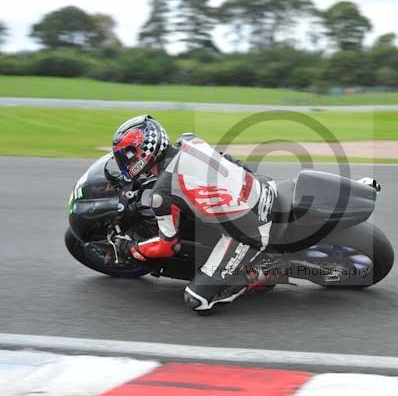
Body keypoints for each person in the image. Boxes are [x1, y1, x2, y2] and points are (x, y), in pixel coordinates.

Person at [111, 115, 277, 314]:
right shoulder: (190, 141)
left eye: (126, 158)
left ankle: (268, 272)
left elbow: (168, 245)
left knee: (197, 300)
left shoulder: (161, 194)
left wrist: (132, 247)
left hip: (250, 229)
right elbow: (229, 160)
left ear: (142, 152)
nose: (125, 164)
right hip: (262, 188)